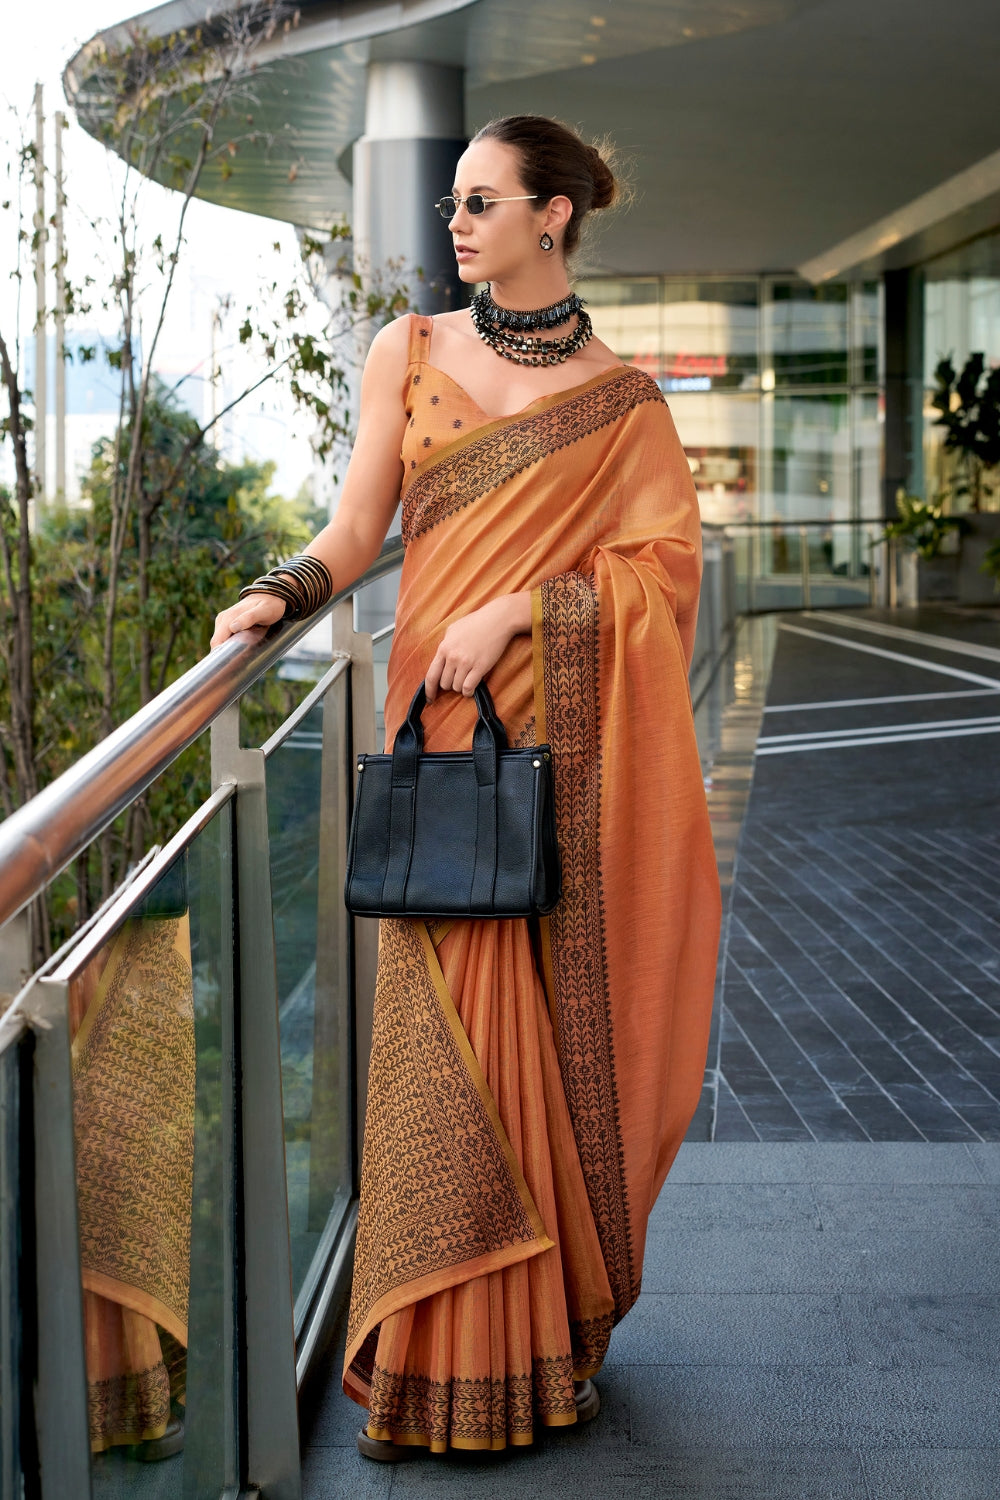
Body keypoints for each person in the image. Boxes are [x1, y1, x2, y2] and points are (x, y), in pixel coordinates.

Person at [212, 114, 721, 1460]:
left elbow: (666, 573)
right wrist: (280, 593)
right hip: (439, 739)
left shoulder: (623, 402)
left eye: (483, 201)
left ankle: (534, 1352)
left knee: (540, 1045)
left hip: (556, 751)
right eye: (454, 202)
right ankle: (446, 1360)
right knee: (447, 1035)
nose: (457, 222)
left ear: (554, 217)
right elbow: (356, 525)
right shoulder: (413, 350)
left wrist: (523, 610)